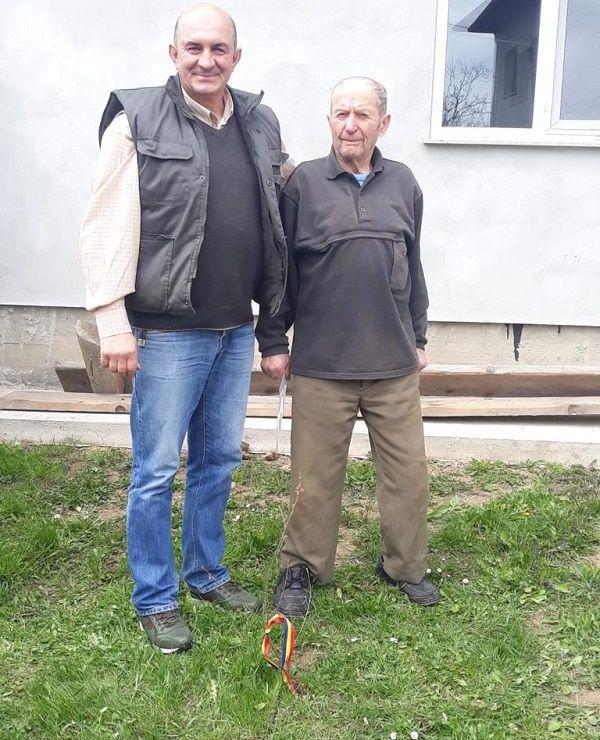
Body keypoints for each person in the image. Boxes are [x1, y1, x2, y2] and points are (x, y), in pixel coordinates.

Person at [79, 3, 289, 653]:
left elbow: (277, 217)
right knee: (154, 471)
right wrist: (112, 323)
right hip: (167, 332)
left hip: (234, 328)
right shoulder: (136, 119)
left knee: (219, 460)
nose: (206, 59)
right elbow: (106, 224)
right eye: (193, 47)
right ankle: (155, 597)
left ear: (236, 57)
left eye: (219, 49)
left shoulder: (259, 121)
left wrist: (273, 324)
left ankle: (205, 573)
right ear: (173, 54)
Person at [257, 77, 440, 618]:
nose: (351, 125)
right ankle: (301, 567)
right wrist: (274, 339)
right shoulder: (304, 185)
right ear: (329, 120)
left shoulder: (403, 182)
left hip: (393, 365)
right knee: (313, 480)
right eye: (341, 114)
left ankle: (404, 566)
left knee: (408, 477)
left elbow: (413, 265)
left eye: (362, 115)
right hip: (321, 364)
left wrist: (418, 335)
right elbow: (281, 270)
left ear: (384, 123)